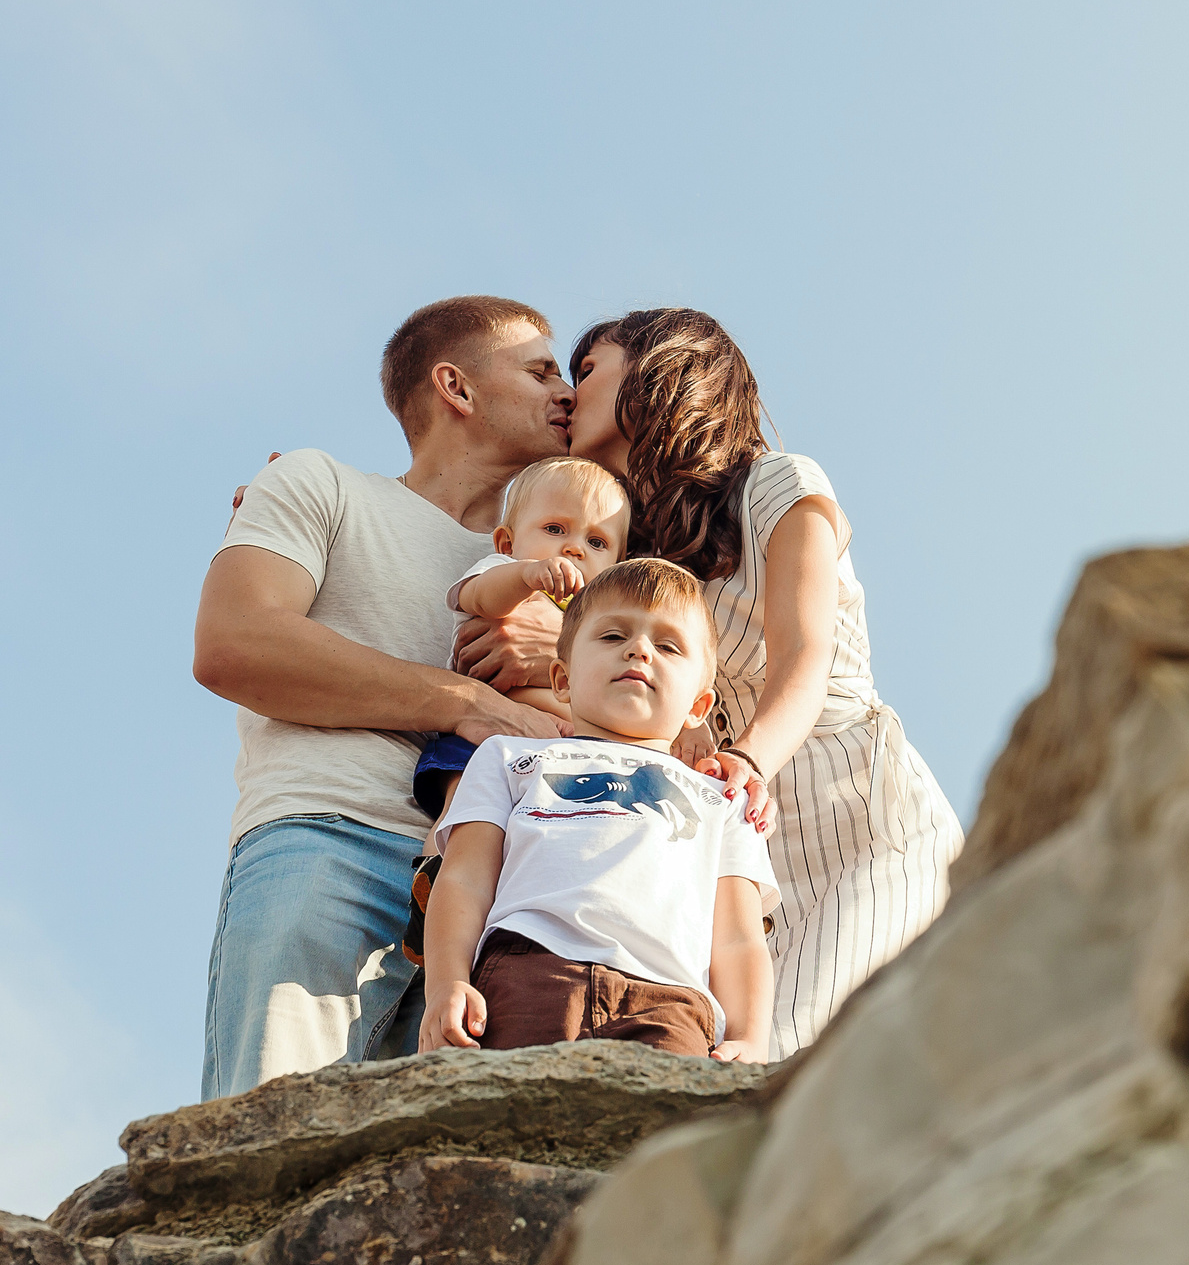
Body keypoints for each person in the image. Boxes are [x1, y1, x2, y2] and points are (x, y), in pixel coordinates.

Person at [191, 295, 574, 1100]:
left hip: (502, 895)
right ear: (457, 388)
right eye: (541, 371)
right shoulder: (320, 485)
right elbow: (236, 641)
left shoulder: (568, 567)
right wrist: (465, 701)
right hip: (325, 841)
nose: (565, 392)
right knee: (264, 1137)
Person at [564, 308, 963, 1057]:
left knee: (786, 1064)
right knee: (734, 1068)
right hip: (748, 868)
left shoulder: (779, 484)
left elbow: (803, 657)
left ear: (658, 366)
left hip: (863, 828)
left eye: (587, 369)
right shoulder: (638, 558)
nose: (567, 393)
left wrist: (745, 759)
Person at [418, 558, 777, 1062]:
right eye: (612, 637)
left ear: (699, 706)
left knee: (659, 1140)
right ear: (561, 679)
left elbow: (739, 939)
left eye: (668, 645)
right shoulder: (508, 757)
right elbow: (463, 880)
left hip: (672, 1005)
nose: (639, 650)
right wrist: (446, 984)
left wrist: (752, 1037)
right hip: (527, 974)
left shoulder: (723, 801)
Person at [408, 456, 631, 825]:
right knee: (468, 814)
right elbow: (476, 597)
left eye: (596, 541)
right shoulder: (503, 573)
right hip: (485, 738)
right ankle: (435, 869)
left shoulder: (604, 615)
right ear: (507, 542)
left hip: (569, 752)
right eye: (556, 529)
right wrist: (526, 575)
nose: (575, 548)